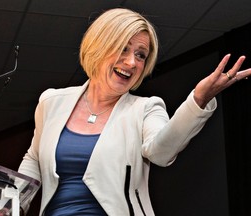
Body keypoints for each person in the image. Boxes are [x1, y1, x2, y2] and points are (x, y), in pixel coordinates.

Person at [18, 8, 251, 216]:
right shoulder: (51, 102)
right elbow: (34, 159)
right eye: (123, 48)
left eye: (140, 55)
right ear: (98, 47)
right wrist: (10, 205)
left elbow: (161, 151)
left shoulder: (146, 109)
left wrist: (199, 99)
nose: (131, 62)